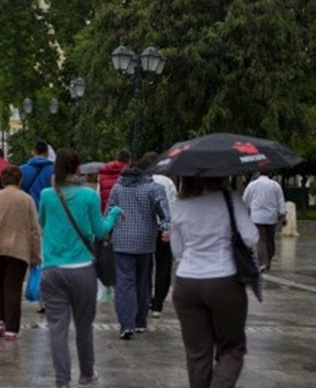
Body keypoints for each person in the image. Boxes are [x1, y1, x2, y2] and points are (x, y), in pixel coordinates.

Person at [37, 148, 122, 388]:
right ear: (77, 170)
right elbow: (101, 231)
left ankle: (62, 382)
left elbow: (41, 222)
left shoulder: (46, 195)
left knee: (57, 329)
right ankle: (86, 375)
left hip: (52, 270)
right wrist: (114, 212)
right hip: (82, 269)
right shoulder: (89, 196)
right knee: (84, 327)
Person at [171, 176, 258, 388]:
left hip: (186, 283)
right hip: (224, 280)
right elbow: (251, 237)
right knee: (232, 348)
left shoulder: (180, 205)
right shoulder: (230, 200)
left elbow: (177, 250)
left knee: (197, 354)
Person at [0, 165, 41, 340]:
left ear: (2, 180)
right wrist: (36, 255)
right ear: (20, 180)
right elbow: (34, 230)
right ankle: (12, 328)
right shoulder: (27, 200)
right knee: (13, 288)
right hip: (19, 250)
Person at [107, 157, 170, 339]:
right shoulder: (154, 188)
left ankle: (126, 324)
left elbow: (110, 211)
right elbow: (164, 212)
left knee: (124, 284)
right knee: (143, 282)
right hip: (146, 242)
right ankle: (140, 321)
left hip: (122, 241)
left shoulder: (118, 188)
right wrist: (166, 229)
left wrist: (108, 233)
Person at [141, 151, 178, 318]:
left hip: (146, 228)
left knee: (146, 265)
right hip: (165, 228)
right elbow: (175, 206)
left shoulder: (142, 182)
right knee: (164, 266)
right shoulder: (168, 182)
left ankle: (146, 298)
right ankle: (158, 304)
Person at [242, 171, 287, 272]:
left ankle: (263, 262)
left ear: (258, 173)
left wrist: (245, 214)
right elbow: (281, 201)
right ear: (269, 174)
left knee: (261, 240)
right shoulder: (275, 185)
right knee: (270, 240)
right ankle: (268, 261)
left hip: (257, 216)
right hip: (271, 217)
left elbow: (245, 200)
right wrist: (283, 215)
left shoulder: (252, 185)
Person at [20, 140, 54, 207]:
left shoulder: (22, 170)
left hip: (29, 206)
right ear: (47, 153)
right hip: (48, 206)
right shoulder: (54, 170)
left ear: (34, 152)